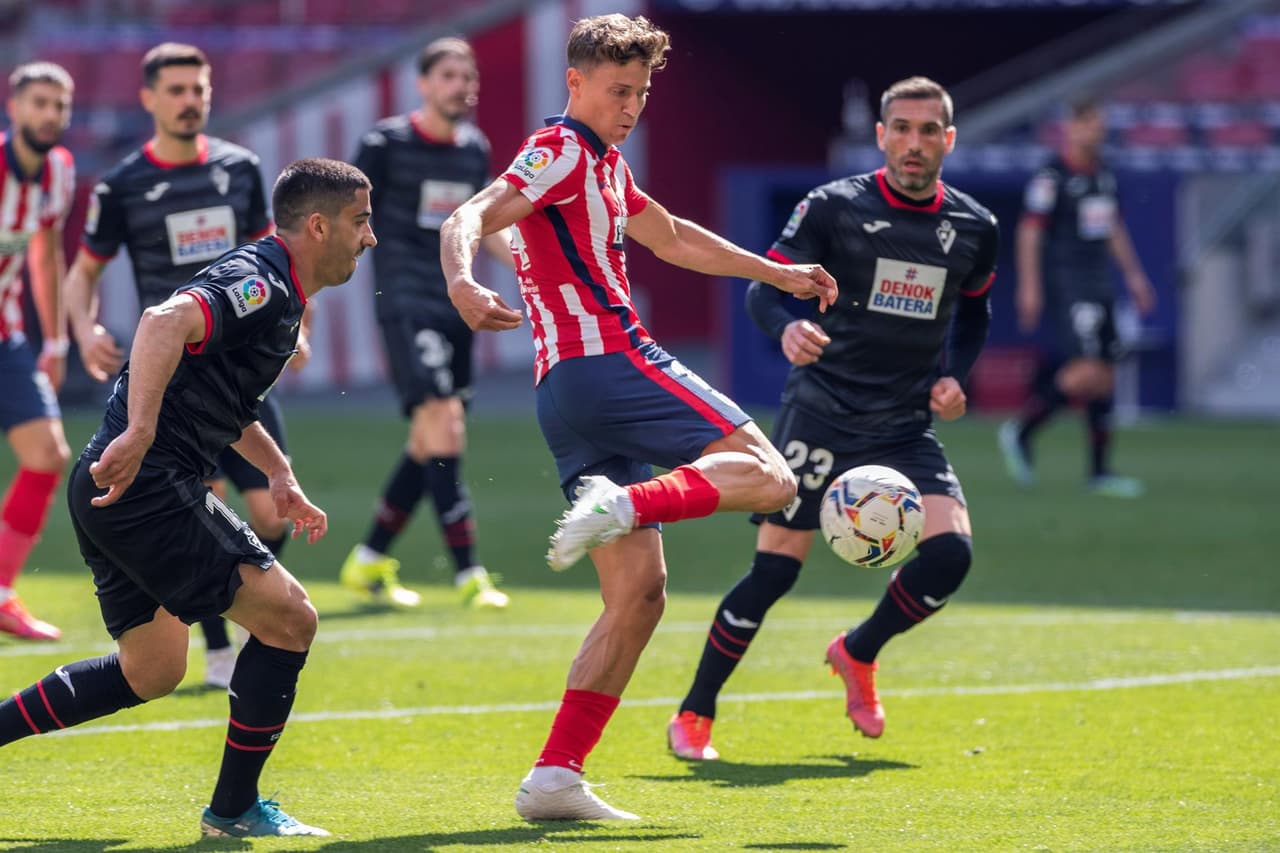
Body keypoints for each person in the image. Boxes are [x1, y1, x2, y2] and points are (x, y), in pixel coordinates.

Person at [441, 14, 836, 821]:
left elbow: (676, 239)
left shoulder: (605, 167)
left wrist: (777, 273)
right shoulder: (557, 150)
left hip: (567, 397)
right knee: (772, 475)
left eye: (642, 91)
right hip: (613, 361)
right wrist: (460, 282)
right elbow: (466, 217)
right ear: (574, 82)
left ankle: (555, 775)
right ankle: (624, 501)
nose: (631, 105)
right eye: (617, 90)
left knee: (639, 594)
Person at [0, 157, 373, 837]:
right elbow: (163, 321)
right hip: (147, 484)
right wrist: (141, 430)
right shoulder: (260, 281)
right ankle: (232, 811)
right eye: (361, 220)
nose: (369, 236)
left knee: (153, 668)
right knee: (291, 618)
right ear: (318, 226)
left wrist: (280, 473)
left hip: (111, 486)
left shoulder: (283, 289)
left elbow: (227, 401)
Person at [666, 77, 999, 760]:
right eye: (900, 128)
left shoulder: (973, 227)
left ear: (948, 139)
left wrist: (954, 379)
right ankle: (695, 712)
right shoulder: (833, 207)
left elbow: (974, 310)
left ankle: (859, 651)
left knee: (950, 554)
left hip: (904, 424)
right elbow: (764, 288)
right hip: (820, 412)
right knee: (775, 573)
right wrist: (787, 328)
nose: (913, 142)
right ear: (880, 136)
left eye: (927, 130)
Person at [65, 43, 297, 687]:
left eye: (199, 88)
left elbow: (265, 255)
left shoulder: (241, 168)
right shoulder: (123, 184)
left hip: (240, 372)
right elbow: (82, 273)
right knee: (203, 498)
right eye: (176, 90)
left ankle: (229, 617)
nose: (190, 100)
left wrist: (286, 324)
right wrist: (83, 329)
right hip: (172, 378)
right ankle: (220, 650)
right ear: (149, 99)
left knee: (272, 511)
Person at [342, 36, 512, 610]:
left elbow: (482, 226)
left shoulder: (473, 150)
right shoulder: (383, 144)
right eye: (448, 75)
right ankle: (469, 574)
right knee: (447, 426)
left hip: (456, 303)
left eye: (469, 76)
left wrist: (532, 272)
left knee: (428, 440)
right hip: (406, 301)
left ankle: (367, 560)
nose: (461, 85)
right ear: (422, 84)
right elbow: (347, 216)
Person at [998, 98, 1155, 498]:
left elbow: (1113, 227)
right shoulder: (1052, 175)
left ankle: (1099, 472)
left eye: (1100, 123)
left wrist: (1134, 276)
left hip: (1100, 282)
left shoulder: (1104, 174)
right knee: (1085, 371)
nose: (1096, 131)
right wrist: (1029, 286)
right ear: (1071, 127)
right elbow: (1029, 232)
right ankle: (1021, 430)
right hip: (1068, 283)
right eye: (1088, 123)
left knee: (1104, 377)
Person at [0, 62, 76, 641]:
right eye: (40, 103)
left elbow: (46, 256)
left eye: (60, 104)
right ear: (15, 106)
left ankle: (1, 592)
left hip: (8, 337)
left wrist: (54, 339)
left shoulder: (58, 170)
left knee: (47, 454)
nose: (51, 114)